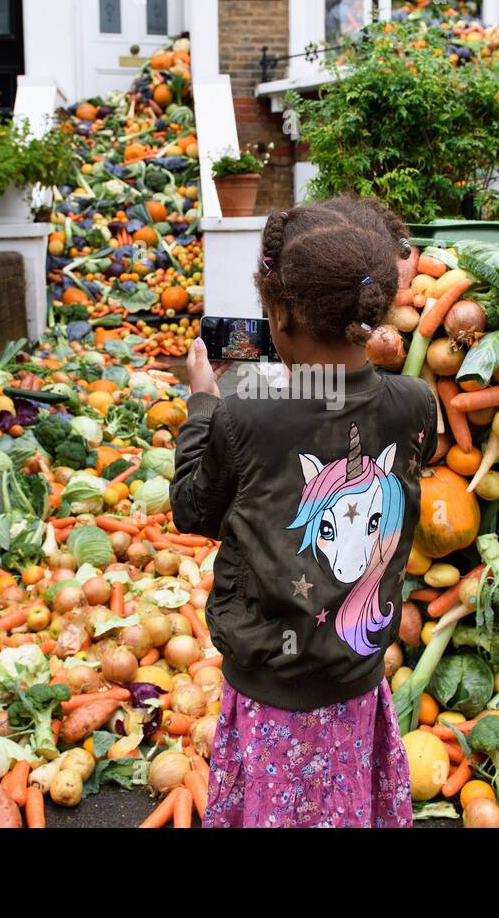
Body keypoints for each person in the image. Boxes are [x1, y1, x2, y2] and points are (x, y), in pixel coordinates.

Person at [170, 196, 438, 828]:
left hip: (271, 695)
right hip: (357, 682)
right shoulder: (416, 402)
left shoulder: (244, 416)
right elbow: (354, 420)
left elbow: (192, 510)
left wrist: (203, 404)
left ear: (282, 315)